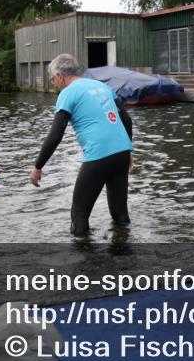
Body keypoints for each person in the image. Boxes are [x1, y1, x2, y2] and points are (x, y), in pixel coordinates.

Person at [30, 53, 134, 236]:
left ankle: (83, 261)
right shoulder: (102, 86)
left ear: (60, 76)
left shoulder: (67, 93)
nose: (53, 83)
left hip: (99, 155)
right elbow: (126, 119)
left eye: (53, 78)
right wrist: (129, 152)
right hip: (122, 154)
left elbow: (55, 135)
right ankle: (125, 257)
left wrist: (38, 166)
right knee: (120, 214)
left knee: (79, 216)